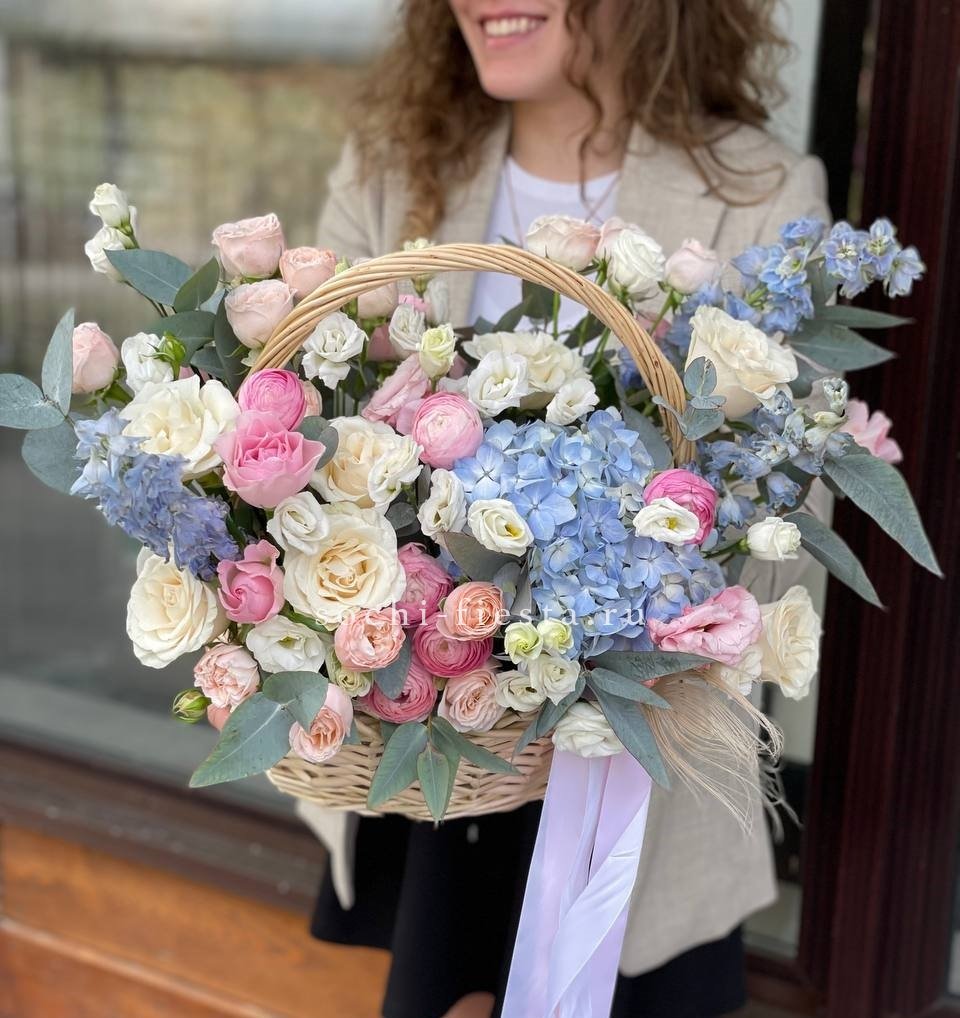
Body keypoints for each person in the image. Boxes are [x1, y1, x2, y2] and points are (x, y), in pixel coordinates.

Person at [304, 2, 830, 1016]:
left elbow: (782, 528)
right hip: (430, 761)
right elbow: (313, 434)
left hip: (638, 795)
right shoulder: (392, 167)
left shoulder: (763, 194)